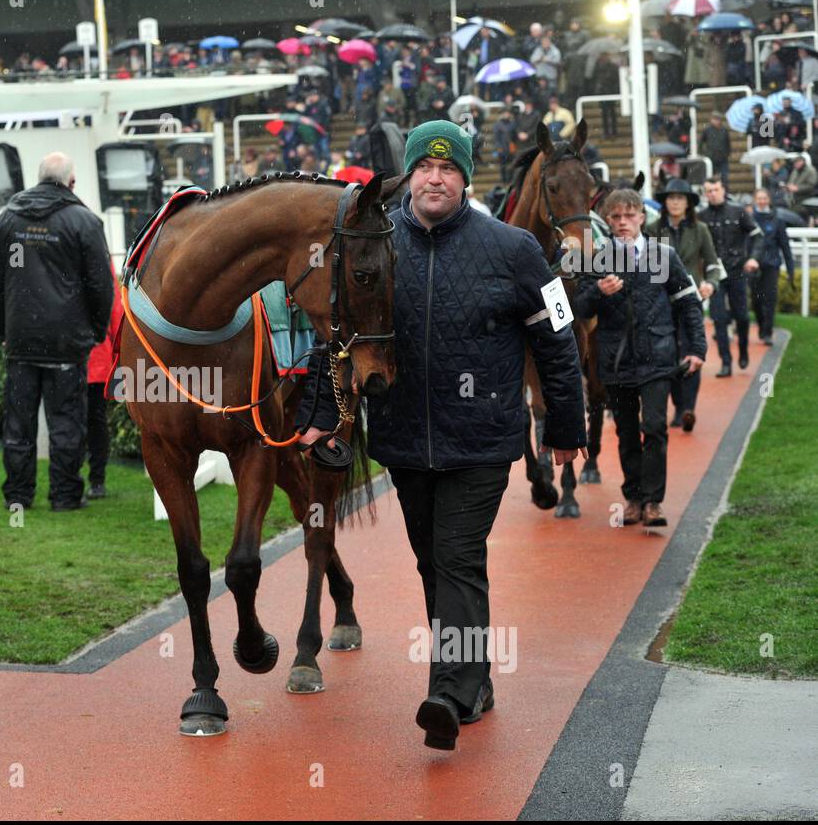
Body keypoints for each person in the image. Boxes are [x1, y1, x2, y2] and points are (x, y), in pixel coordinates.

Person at [296, 120, 586, 751]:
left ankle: (448, 694)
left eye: (448, 168)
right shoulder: (372, 241)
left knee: (456, 556)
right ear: (408, 176)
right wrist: (320, 410)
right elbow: (334, 335)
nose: (435, 178)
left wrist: (568, 427)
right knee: (436, 563)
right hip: (402, 439)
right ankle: (475, 680)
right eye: (424, 169)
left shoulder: (515, 250)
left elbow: (558, 343)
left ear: (464, 178)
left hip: (482, 441)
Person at [0, 152, 113, 512]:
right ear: (71, 183)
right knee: (66, 424)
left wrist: (5, 329)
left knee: (18, 426)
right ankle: (65, 496)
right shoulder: (84, 221)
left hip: (21, 338)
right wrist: (97, 330)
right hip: (66, 341)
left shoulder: (10, 218)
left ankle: (18, 497)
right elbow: (100, 285)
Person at [573, 189, 706, 529]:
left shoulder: (665, 256)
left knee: (655, 427)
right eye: (615, 217)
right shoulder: (597, 260)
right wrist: (597, 292)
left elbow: (689, 303)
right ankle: (633, 498)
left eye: (629, 216)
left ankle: (653, 502)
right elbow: (578, 310)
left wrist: (697, 348)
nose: (622, 223)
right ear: (608, 220)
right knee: (627, 432)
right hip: (617, 361)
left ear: (641, 218)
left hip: (659, 357)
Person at [647, 179, 721, 432]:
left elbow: (712, 264)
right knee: (669, 354)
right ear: (665, 202)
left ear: (688, 202)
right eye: (671, 197)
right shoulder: (652, 229)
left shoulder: (700, 229)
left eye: (680, 197)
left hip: (690, 302)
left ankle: (687, 408)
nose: (675, 202)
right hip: (661, 304)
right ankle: (677, 404)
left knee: (692, 352)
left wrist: (711, 283)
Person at [699, 178, 761, 376]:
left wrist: (753, 258)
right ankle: (726, 362)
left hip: (736, 271)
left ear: (723, 190)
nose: (712, 194)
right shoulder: (701, 217)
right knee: (718, 317)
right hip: (714, 274)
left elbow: (757, 236)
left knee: (742, 317)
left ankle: (743, 349)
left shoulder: (738, 211)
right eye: (708, 191)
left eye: (715, 190)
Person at [82, 261, 124, 500]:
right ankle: (95, 480)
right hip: (95, 356)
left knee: (77, 421)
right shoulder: (98, 257)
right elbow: (115, 309)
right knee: (95, 422)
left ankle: (85, 479)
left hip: (88, 358)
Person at [746, 187, 795, 347]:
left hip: (771, 264)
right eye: (758, 198)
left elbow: (785, 246)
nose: (761, 201)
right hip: (753, 265)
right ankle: (761, 326)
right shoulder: (748, 219)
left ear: (768, 200)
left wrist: (790, 269)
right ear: (755, 200)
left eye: (764, 198)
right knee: (756, 300)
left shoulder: (777, 220)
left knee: (769, 298)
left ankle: (767, 332)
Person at [699, 111, 731, 185]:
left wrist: (727, 154)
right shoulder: (707, 130)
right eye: (714, 119)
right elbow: (700, 143)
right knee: (710, 177)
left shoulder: (724, 130)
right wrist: (703, 153)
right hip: (711, 158)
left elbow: (728, 143)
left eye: (717, 119)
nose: (716, 121)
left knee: (724, 177)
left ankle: (724, 192)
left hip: (723, 158)